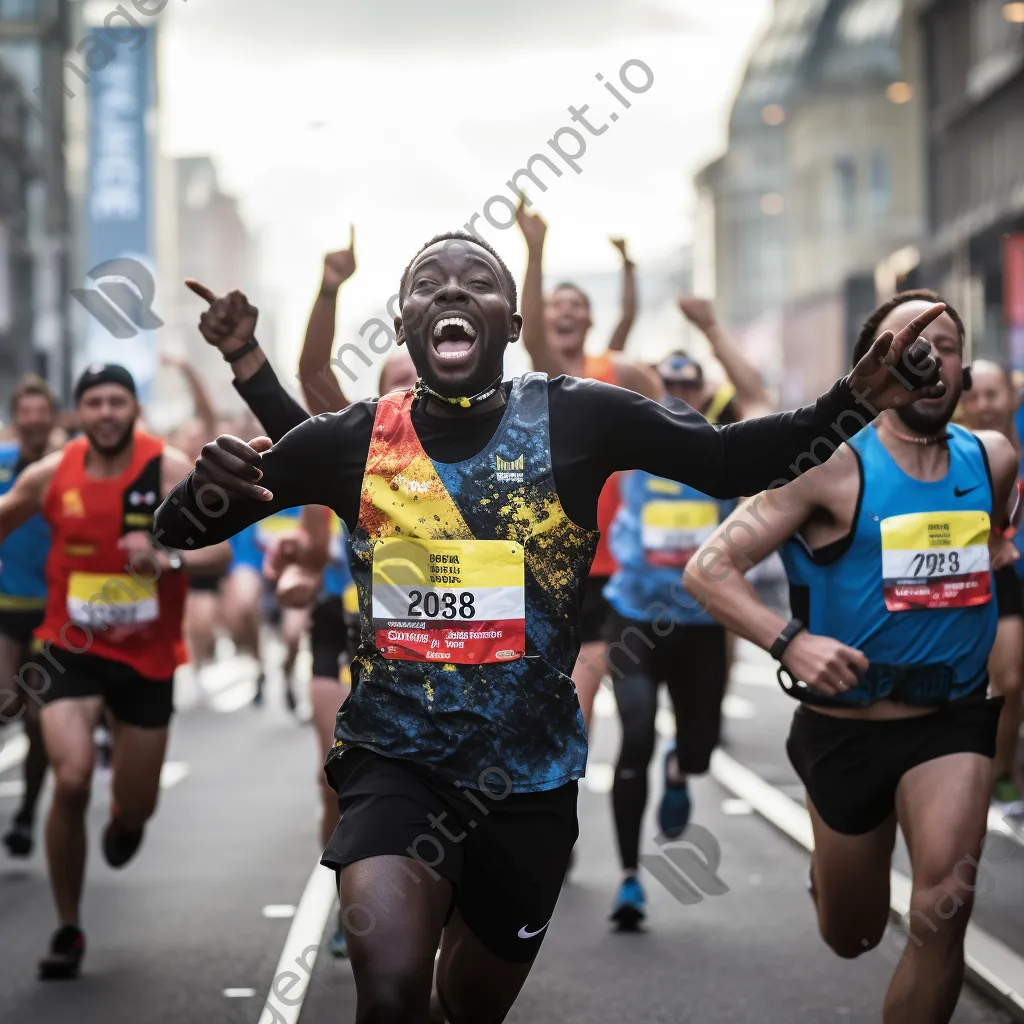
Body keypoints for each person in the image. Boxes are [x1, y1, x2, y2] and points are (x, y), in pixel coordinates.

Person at [156, 232, 944, 1024]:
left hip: (523, 782)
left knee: (465, 1006)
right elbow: (183, 530)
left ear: (513, 320)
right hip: (396, 762)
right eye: (429, 282)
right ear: (403, 322)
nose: (453, 291)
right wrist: (204, 491)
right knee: (390, 992)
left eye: (478, 281)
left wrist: (853, 399)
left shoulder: (578, 417)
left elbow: (732, 464)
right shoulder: (354, 439)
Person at [685, 291, 1016, 1024]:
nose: (930, 358)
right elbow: (708, 569)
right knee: (852, 935)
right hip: (845, 730)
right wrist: (790, 641)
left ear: (964, 364)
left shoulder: (992, 458)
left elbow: (989, 545)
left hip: (951, 720)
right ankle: (834, 882)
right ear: (875, 365)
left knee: (945, 902)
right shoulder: (828, 467)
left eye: (947, 343)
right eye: (906, 345)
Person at [0, 364, 232, 979]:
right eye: (95, 403)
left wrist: (167, 555)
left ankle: (126, 823)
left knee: (134, 806)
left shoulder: (170, 467)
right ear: (79, 413)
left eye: (117, 401)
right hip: (66, 651)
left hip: (147, 660)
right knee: (71, 779)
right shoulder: (53, 475)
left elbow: (222, 549)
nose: (106, 412)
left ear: (132, 408)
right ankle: (69, 926)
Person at [516, 203, 660, 752]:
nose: (567, 312)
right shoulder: (544, 377)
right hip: (548, 561)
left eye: (577, 305)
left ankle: (560, 803)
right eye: (557, 305)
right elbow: (533, 333)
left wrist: (627, 268)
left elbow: (628, 319)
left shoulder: (614, 373)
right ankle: (548, 802)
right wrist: (534, 249)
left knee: (581, 697)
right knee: (546, 695)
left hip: (609, 565)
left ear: (591, 321)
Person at [602, 432, 735, 929]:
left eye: (690, 388)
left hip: (701, 625)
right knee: (636, 735)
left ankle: (680, 765)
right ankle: (629, 877)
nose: (680, 398)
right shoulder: (630, 460)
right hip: (635, 620)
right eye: (670, 390)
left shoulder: (721, 468)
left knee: (701, 748)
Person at [958, 359, 1024, 805]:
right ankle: (999, 773)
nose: (982, 405)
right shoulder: (958, 450)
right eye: (972, 396)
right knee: (1009, 678)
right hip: (996, 577)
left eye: (992, 395)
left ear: (1011, 397)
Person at [0, 375, 58, 858]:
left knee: (39, 724)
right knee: (6, 703)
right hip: (5, 610)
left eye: (43, 411)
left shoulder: (69, 469)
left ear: (52, 417)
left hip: (53, 614)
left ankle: (25, 813)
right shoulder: (0, 465)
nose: (34, 419)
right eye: (27, 411)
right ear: (17, 416)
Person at [162, 353, 224, 676]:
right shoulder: (166, 468)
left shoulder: (209, 465)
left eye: (198, 435)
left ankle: (202, 666)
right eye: (186, 435)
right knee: (185, 622)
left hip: (210, 558)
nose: (193, 439)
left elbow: (207, 413)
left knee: (204, 620)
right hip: (173, 560)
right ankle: (190, 666)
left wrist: (186, 369)